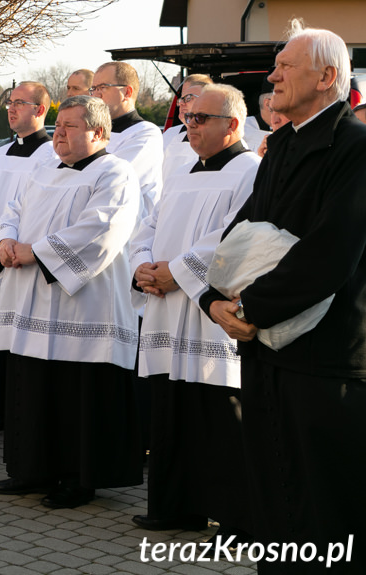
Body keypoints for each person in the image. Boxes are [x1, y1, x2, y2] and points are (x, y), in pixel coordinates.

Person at [200, 22, 366, 574]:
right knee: (274, 494)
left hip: (325, 357)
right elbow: (241, 232)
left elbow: (331, 250)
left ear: (327, 76)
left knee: (325, 508)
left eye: (285, 66)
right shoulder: (283, 147)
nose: (272, 77)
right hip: (267, 349)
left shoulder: (355, 148)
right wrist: (211, 299)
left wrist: (249, 309)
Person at [0, 95, 142, 509]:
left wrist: (35, 252)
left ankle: (78, 477)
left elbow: (102, 229)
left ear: (98, 132)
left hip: (84, 302)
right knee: (33, 384)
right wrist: (5, 241)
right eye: (58, 126)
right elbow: (12, 209)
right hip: (30, 296)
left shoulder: (116, 172)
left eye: (70, 126)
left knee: (76, 393)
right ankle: (31, 468)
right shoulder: (43, 167)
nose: (58, 133)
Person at [130, 84, 260, 543]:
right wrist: (142, 266)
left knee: (219, 415)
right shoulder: (184, 170)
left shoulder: (251, 172)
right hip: (167, 309)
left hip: (210, 313)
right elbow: (149, 224)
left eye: (202, 118)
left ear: (233, 124)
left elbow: (234, 237)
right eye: (189, 117)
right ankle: (176, 506)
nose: (192, 125)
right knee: (171, 409)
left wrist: (176, 273)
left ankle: (237, 517)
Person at [0, 81, 57, 432]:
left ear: (41, 110)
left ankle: (19, 410)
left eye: (21, 103)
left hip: (19, 259)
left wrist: (11, 247)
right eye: (10, 103)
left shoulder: (51, 156)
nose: (11, 108)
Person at [92, 61, 163, 218]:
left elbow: (112, 180)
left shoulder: (145, 133)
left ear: (127, 92)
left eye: (103, 87)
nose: (96, 94)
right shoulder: (93, 132)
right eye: (94, 89)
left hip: (129, 229)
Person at [161, 74, 212, 183]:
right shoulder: (170, 134)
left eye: (188, 98)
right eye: (181, 98)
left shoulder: (219, 139)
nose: (180, 104)